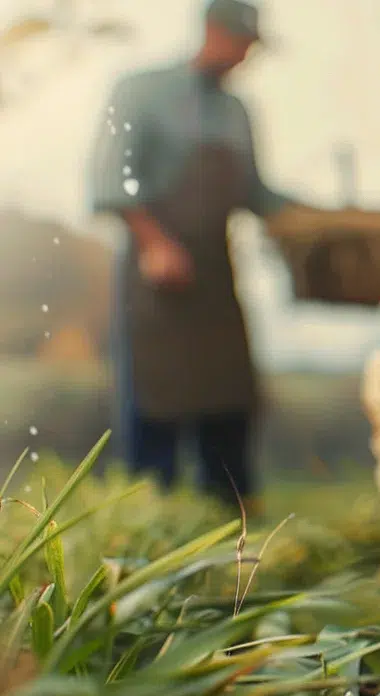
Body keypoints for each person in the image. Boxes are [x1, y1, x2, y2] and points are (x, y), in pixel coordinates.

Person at [87, 0, 290, 513]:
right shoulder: (140, 91)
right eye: (243, 43)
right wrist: (156, 243)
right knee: (157, 402)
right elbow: (111, 181)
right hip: (155, 274)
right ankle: (145, 522)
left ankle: (232, 521)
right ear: (212, 30)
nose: (246, 57)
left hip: (217, 272)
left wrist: (329, 221)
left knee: (229, 398)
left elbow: (256, 193)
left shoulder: (237, 110)